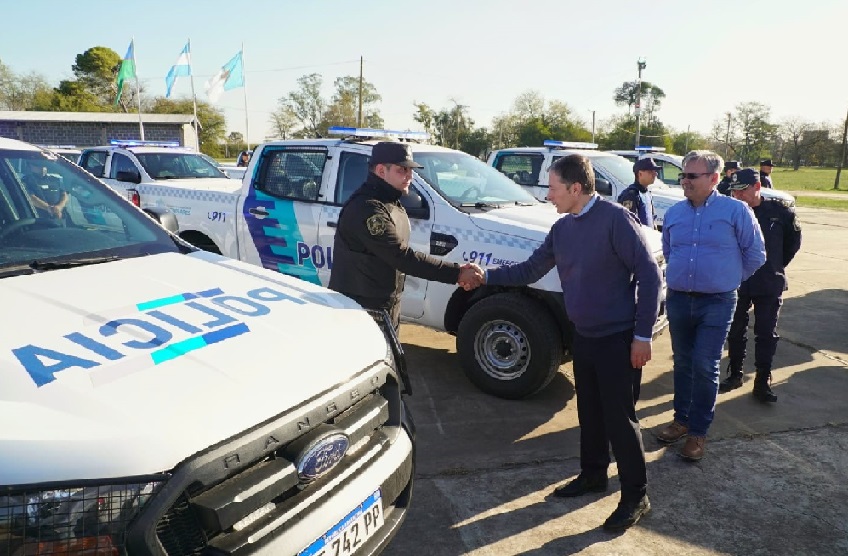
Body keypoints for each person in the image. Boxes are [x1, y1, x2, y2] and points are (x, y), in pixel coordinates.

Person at [466, 154, 661, 532]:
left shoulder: (615, 220)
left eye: (553, 188)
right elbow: (530, 270)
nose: (548, 195)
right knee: (590, 413)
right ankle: (593, 474)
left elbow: (649, 276)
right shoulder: (562, 228)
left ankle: (636, 495)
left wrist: (642, 335)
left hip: (618, 339)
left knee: (620, 421)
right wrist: (485, 276)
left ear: (575, 188)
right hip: (584, 336)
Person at [656, 151, 765, 461]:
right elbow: (669, 251)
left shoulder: (736, 211)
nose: (684, 181)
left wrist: (728, 279)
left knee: (705, 365)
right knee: (683, 363)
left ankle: (697, 431)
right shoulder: (674, 213)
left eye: (692, 176)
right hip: (679, 299)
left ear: (714, 178)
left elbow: (756, 254)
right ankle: (681, 420)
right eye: (683, 176)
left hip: (717, 302)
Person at [329, 141, 481, 328]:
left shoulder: (390, 201)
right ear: (381, 171)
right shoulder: (368, 208)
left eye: (410, 170)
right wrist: (457, 273)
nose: (410, 176)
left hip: (383, 307)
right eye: (402, 170)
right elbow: (401, 257)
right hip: (362, 311)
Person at [720, 169, 802, 402]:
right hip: (738, 280)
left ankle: (762, 381)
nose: (738, 196)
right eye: (734, 191)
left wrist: (776, 265)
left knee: (766, 333)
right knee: (735, 330)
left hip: (768, 280)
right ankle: (735, 374)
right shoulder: (731, 212)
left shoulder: (780, 212)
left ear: (757, 187)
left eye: (742, 190)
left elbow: (792, 244)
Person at [618, 157, 660, 229]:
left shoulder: (647, 194)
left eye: (655, 171)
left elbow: (652, 219)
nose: (655, 174)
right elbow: (628, 223)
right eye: (650, 172)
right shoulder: (630, 195)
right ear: (640, 174)